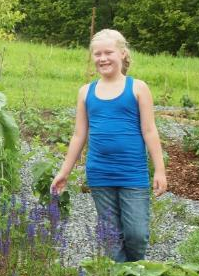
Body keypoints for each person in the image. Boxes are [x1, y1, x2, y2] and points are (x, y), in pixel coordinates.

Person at [50, 29, 167, 262]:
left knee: (137, 233)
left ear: (123, 54)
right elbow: (78, 135)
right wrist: (64, 172)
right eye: (97, 54)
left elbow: (149, 130)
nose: (102, 58)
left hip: (133, 174)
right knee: (111, 235)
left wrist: (160, 170)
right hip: (100, 173)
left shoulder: (138, 88)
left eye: (108, 52)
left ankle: (135, 271)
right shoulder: (86, 92)